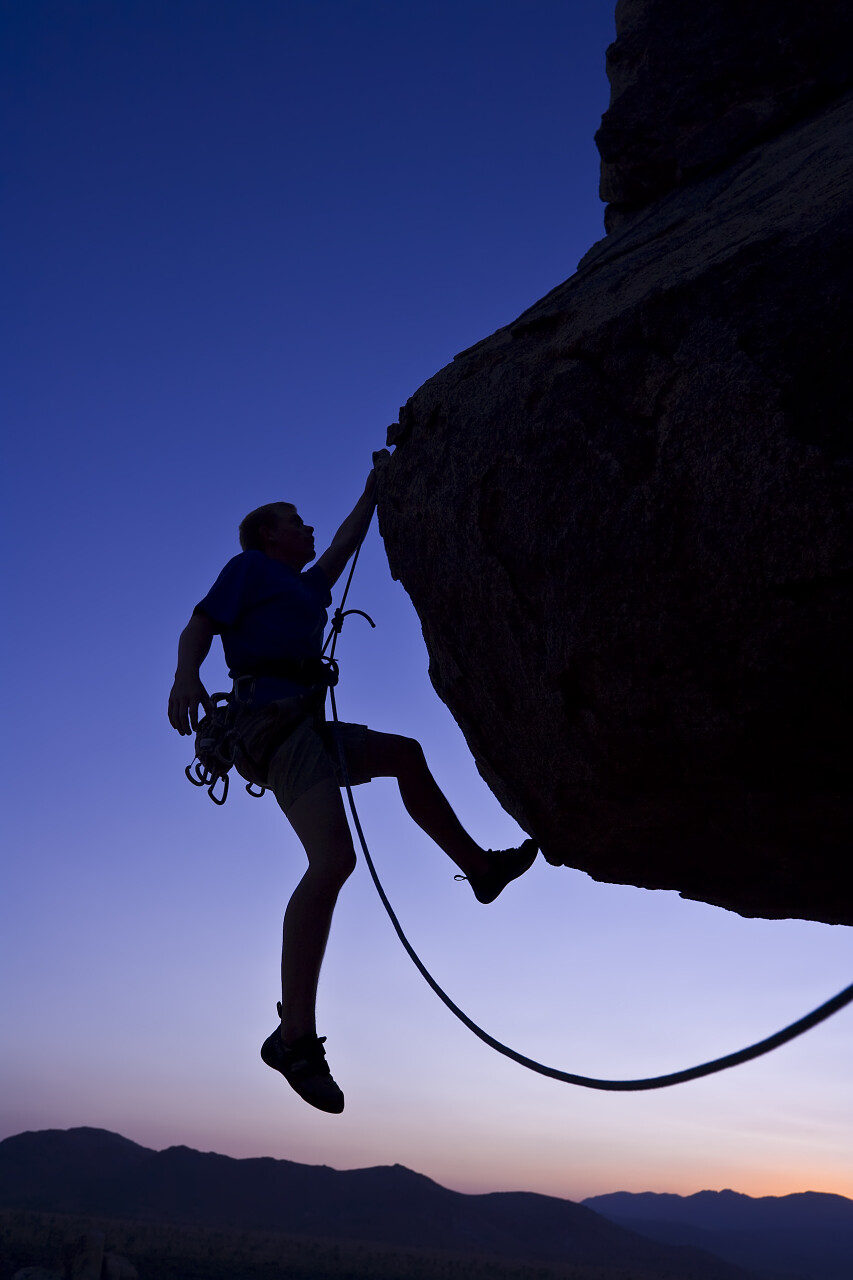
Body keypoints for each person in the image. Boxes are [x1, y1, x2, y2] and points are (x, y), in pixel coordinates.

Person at [167, 469, 537, 1114]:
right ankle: (295, 1040)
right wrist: (184, 676)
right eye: (293, 518)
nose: (305, 526)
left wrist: (374, 490)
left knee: (404, 755)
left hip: (301, 725)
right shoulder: (249, 567)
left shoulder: (304, 584)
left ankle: (478, 868)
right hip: (270, 726)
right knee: (334, 860)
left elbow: (340, 545)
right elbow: (200, 624)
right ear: (265, 535)